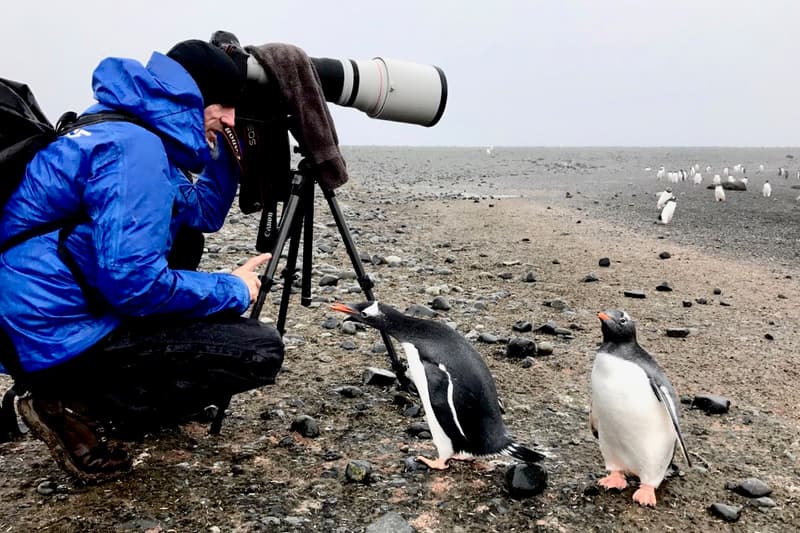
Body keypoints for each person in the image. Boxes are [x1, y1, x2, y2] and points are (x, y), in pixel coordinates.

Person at [0, 40, 285, 483]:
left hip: (35, 319)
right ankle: (65, 401)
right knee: (258, 349)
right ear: (192, 96)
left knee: (185, 249)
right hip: (55, 333)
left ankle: (86, 393)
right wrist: (231, 288)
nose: (231, 118)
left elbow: (200, 211)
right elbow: (134, 285)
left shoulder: (122, 127)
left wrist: (228, 148)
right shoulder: (135, 150)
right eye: (224, 106)